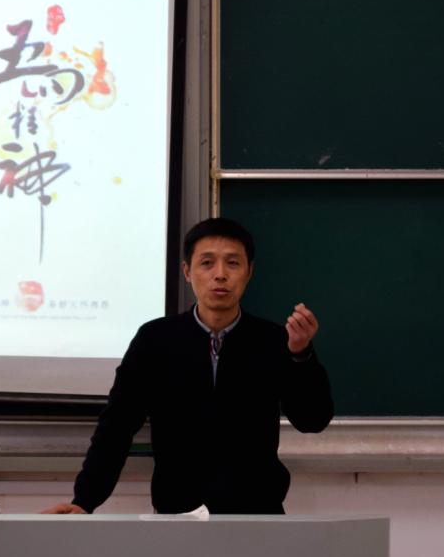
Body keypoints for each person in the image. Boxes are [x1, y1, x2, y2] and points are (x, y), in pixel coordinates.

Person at [43, 218, 333, 515]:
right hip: (177, 515)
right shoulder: (154, 340)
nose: (220, 274)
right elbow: (116, 427)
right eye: (207, 263)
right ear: (187, 272)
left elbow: (313, 420)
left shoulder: (274, 340)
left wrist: (301, 355)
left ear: (249, 272)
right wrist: (84, 501)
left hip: (258, 515)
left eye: (233, 263)